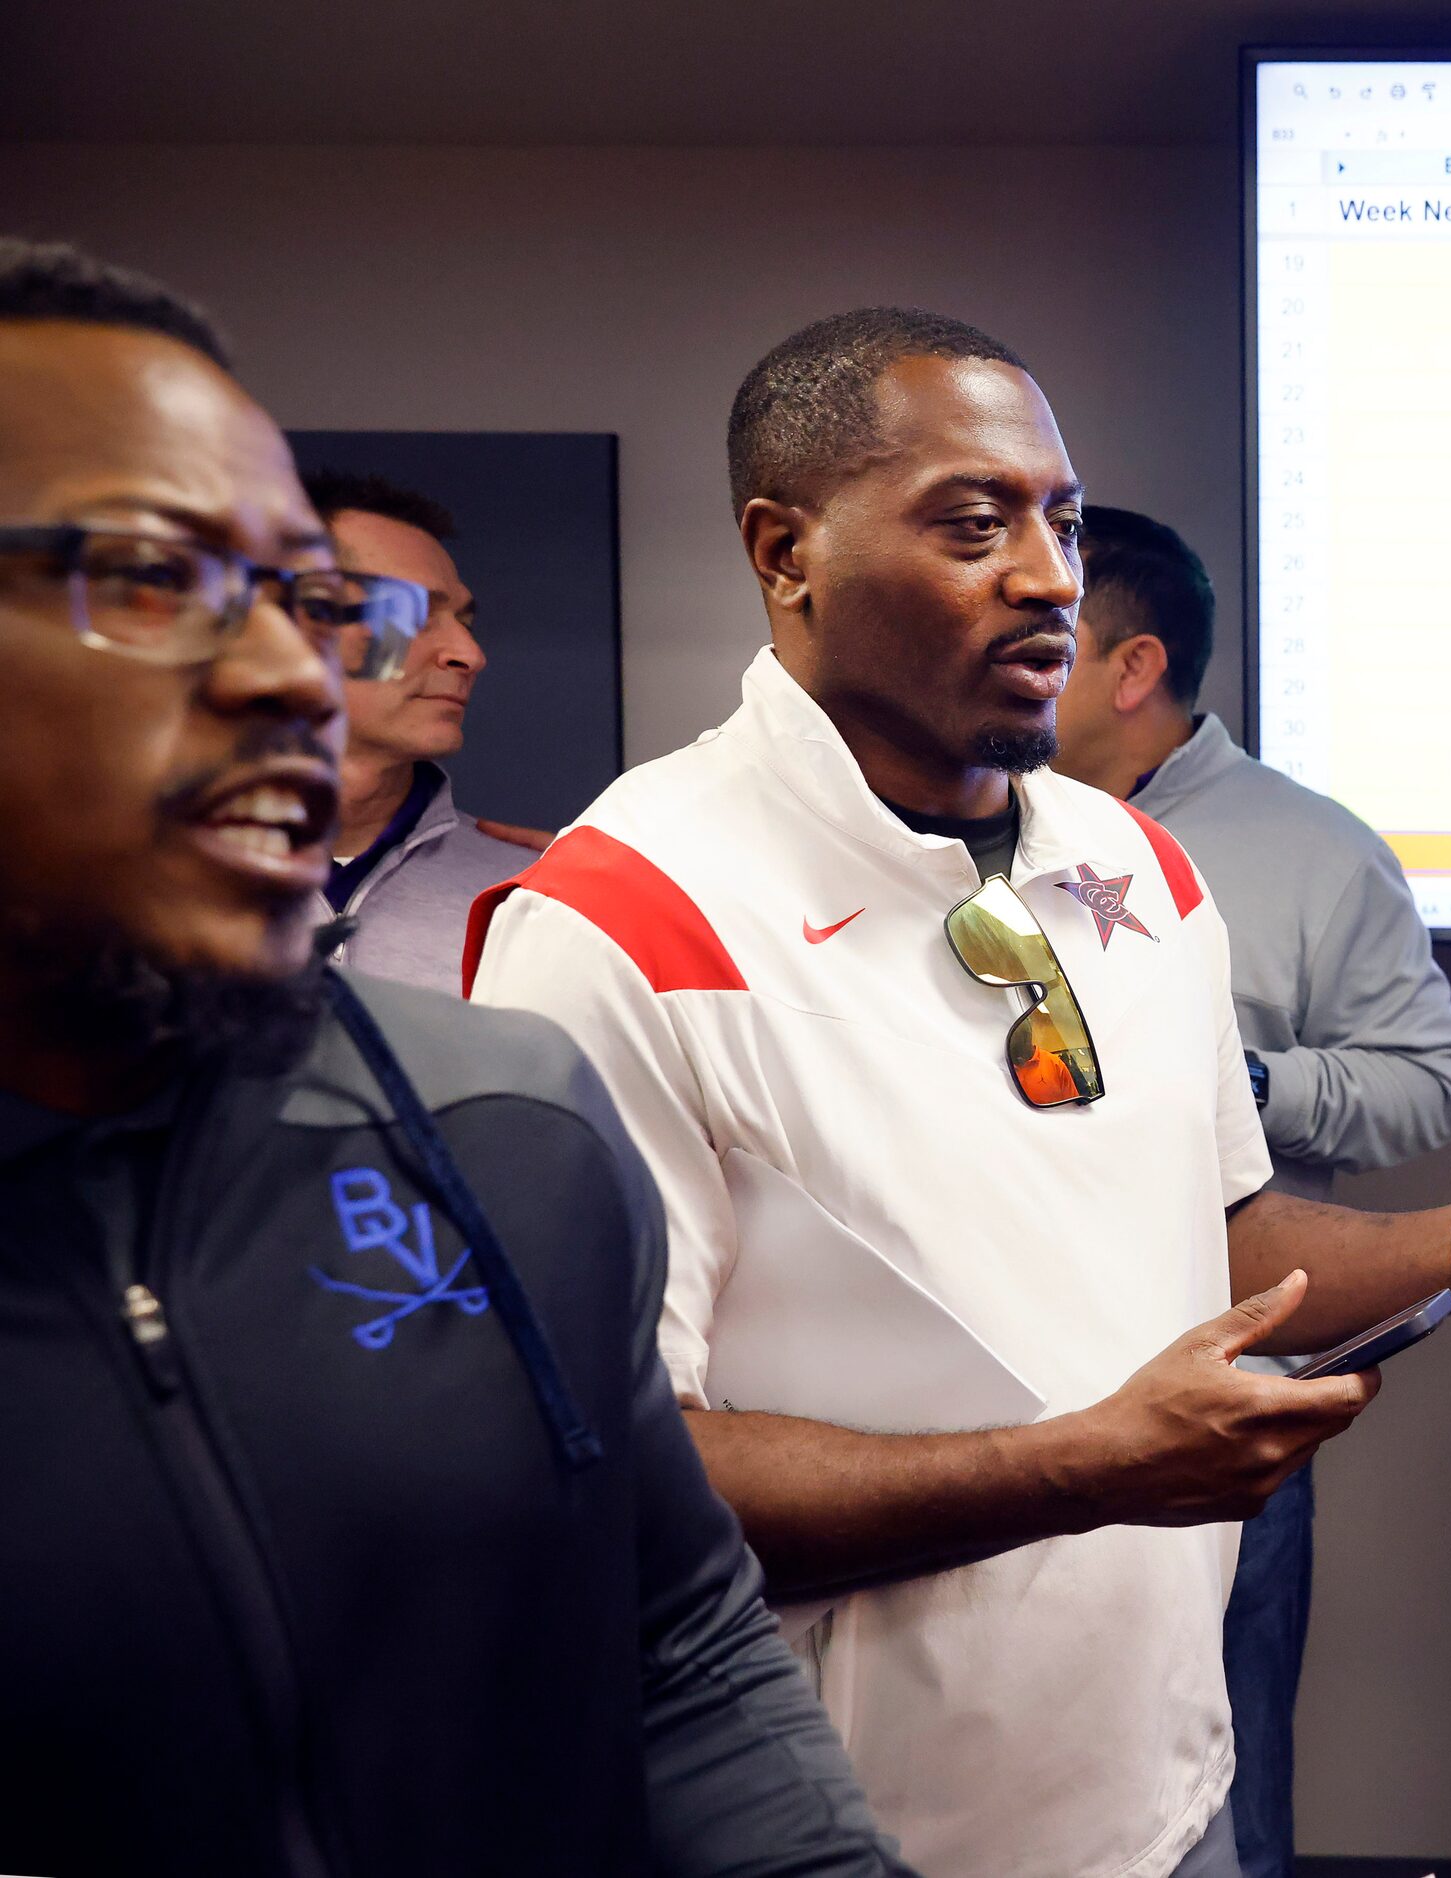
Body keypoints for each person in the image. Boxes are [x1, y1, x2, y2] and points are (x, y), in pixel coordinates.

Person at [465, 306, 1451, 1878]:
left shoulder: (1131, 863)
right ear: (785, 551)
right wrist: (1085, 1466)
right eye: (970, 523)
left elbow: (1223, 1238)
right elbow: (607, 1471)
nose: (1049, 573)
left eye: (1058, 520)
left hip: (1160, 1795)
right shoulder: (621, 918)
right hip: (842, 1834)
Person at [0, 237, 908, 1877]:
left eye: (301, 598)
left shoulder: (505, 1124)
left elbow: (679, 1650)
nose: (292, 674)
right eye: (150, 574)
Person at [1053, 505, 1451, 1878]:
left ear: (1130, 666)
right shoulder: (948, 822)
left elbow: (1427, 1083)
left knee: (1222, 1767)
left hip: (1219, 1373)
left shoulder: (1309, 849)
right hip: (986, 1385)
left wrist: (1242, 1079)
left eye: (1042, 634)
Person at [300, 467, 541, 993]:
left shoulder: (536, 896)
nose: (469, 655)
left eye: (466, 623)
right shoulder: (122, 888)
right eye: (411, 614)